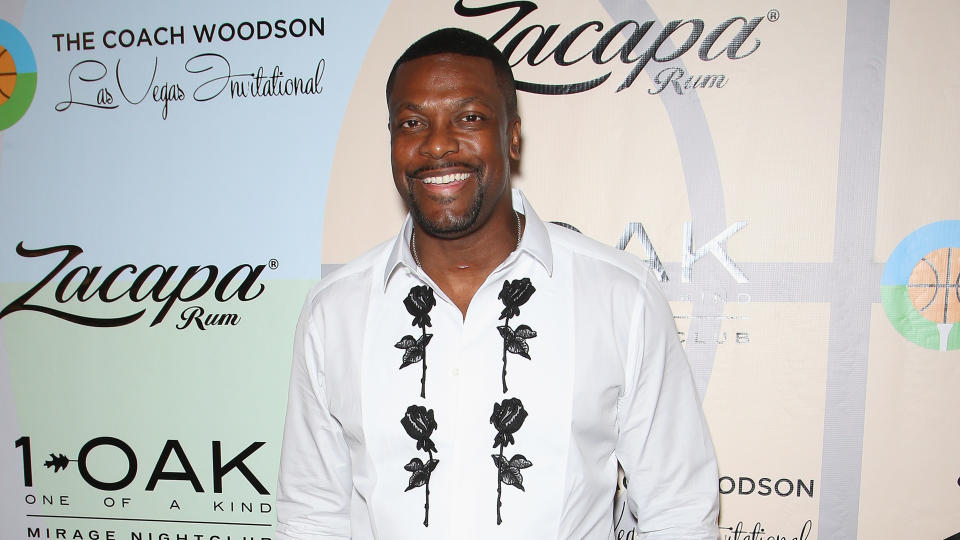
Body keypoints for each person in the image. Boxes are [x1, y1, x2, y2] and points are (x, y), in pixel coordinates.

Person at [276, 28, 719, 539]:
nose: (437, 143)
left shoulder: (620, 297)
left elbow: (678, 508)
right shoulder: (335, 312)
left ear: (511, 135)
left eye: (469, 117)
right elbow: (311, 515)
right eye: (412, 122)